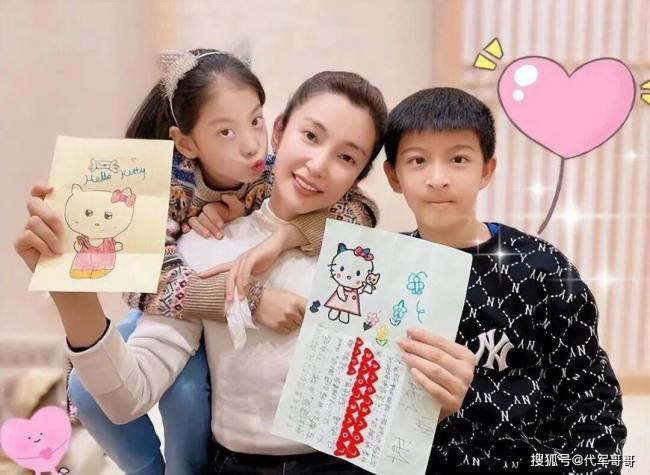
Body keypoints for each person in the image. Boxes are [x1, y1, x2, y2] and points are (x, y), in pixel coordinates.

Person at [15, 71, 475, 475]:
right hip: (237, 464)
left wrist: (437, 401)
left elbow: (394, 407)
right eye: (311, 136)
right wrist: (71, 294)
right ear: (279, 130)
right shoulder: (203, 243)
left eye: (347, 158)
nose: (318, 165)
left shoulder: (367, 257)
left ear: (359, 176)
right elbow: (126, 398)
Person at [68, 48, 378, 474]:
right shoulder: (163, 195)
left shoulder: (275, 178)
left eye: (255, 121)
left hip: (341, 457)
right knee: (162, 394)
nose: (251, 145)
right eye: (226, 132)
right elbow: (145, 283)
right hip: (175, 297)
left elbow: (362, 212)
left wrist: (282, 239)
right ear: (187, 142)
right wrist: (245, 298)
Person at [382, 87, 627, 474]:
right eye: (417, 160)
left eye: (459, 159)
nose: (438, 179)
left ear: (486, 170)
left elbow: (591, 401)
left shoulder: (542, 269)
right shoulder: (383, 267)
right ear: (394, 176)